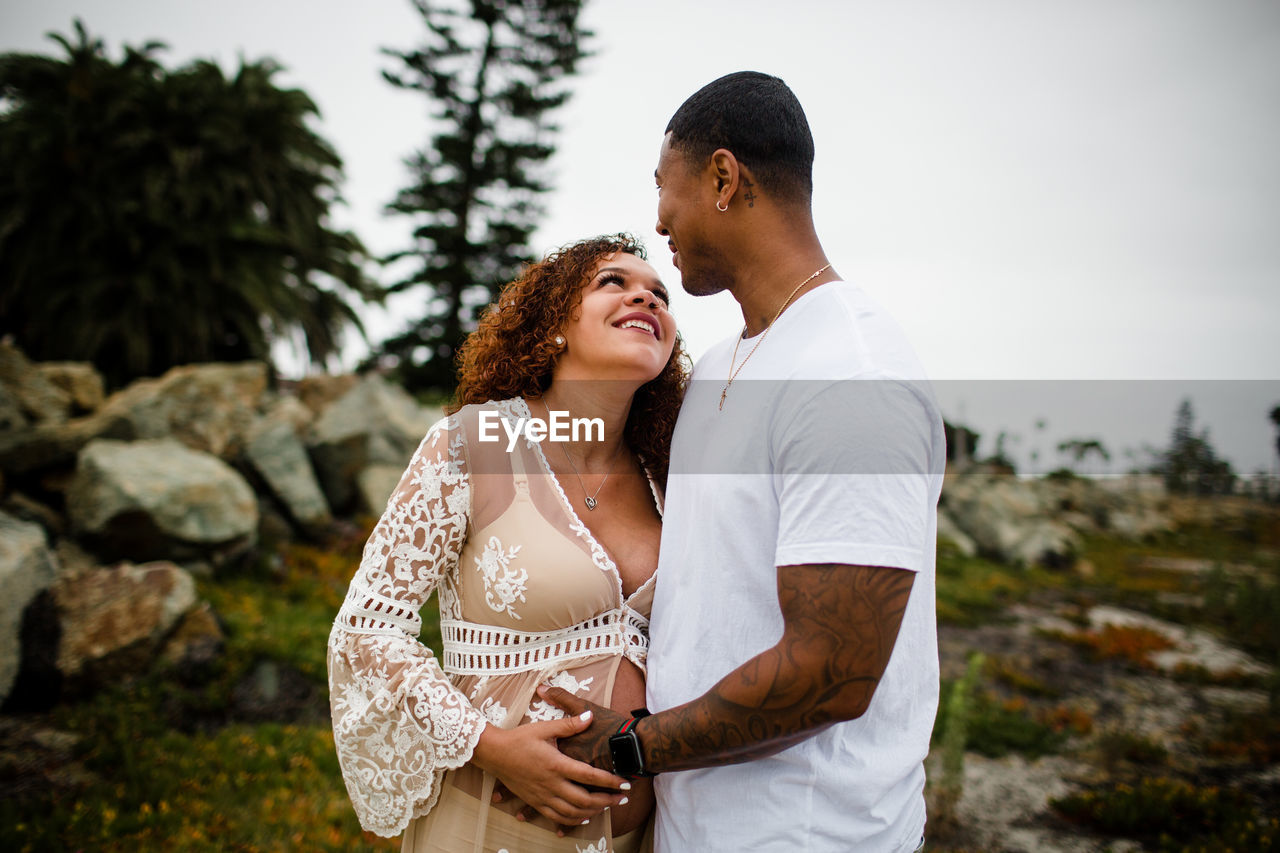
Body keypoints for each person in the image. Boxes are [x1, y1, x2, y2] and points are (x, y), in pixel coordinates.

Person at [538, 72, 945, 851]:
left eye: (666, 187)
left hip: (809, 833)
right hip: (689, 826)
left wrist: (632, 746)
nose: (658, 218)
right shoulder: (722, 365)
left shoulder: (849, 374)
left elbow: (835, 668)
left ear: (724, 178)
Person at [327, 233, 689, 852]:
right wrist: (490, 746)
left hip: (640, 837)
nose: (645, 298)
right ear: (556, 324)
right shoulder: (474, 444)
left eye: (660, 293)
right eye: (614, 282)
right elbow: (366, 629)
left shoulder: (670, 476)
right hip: (490, 823)